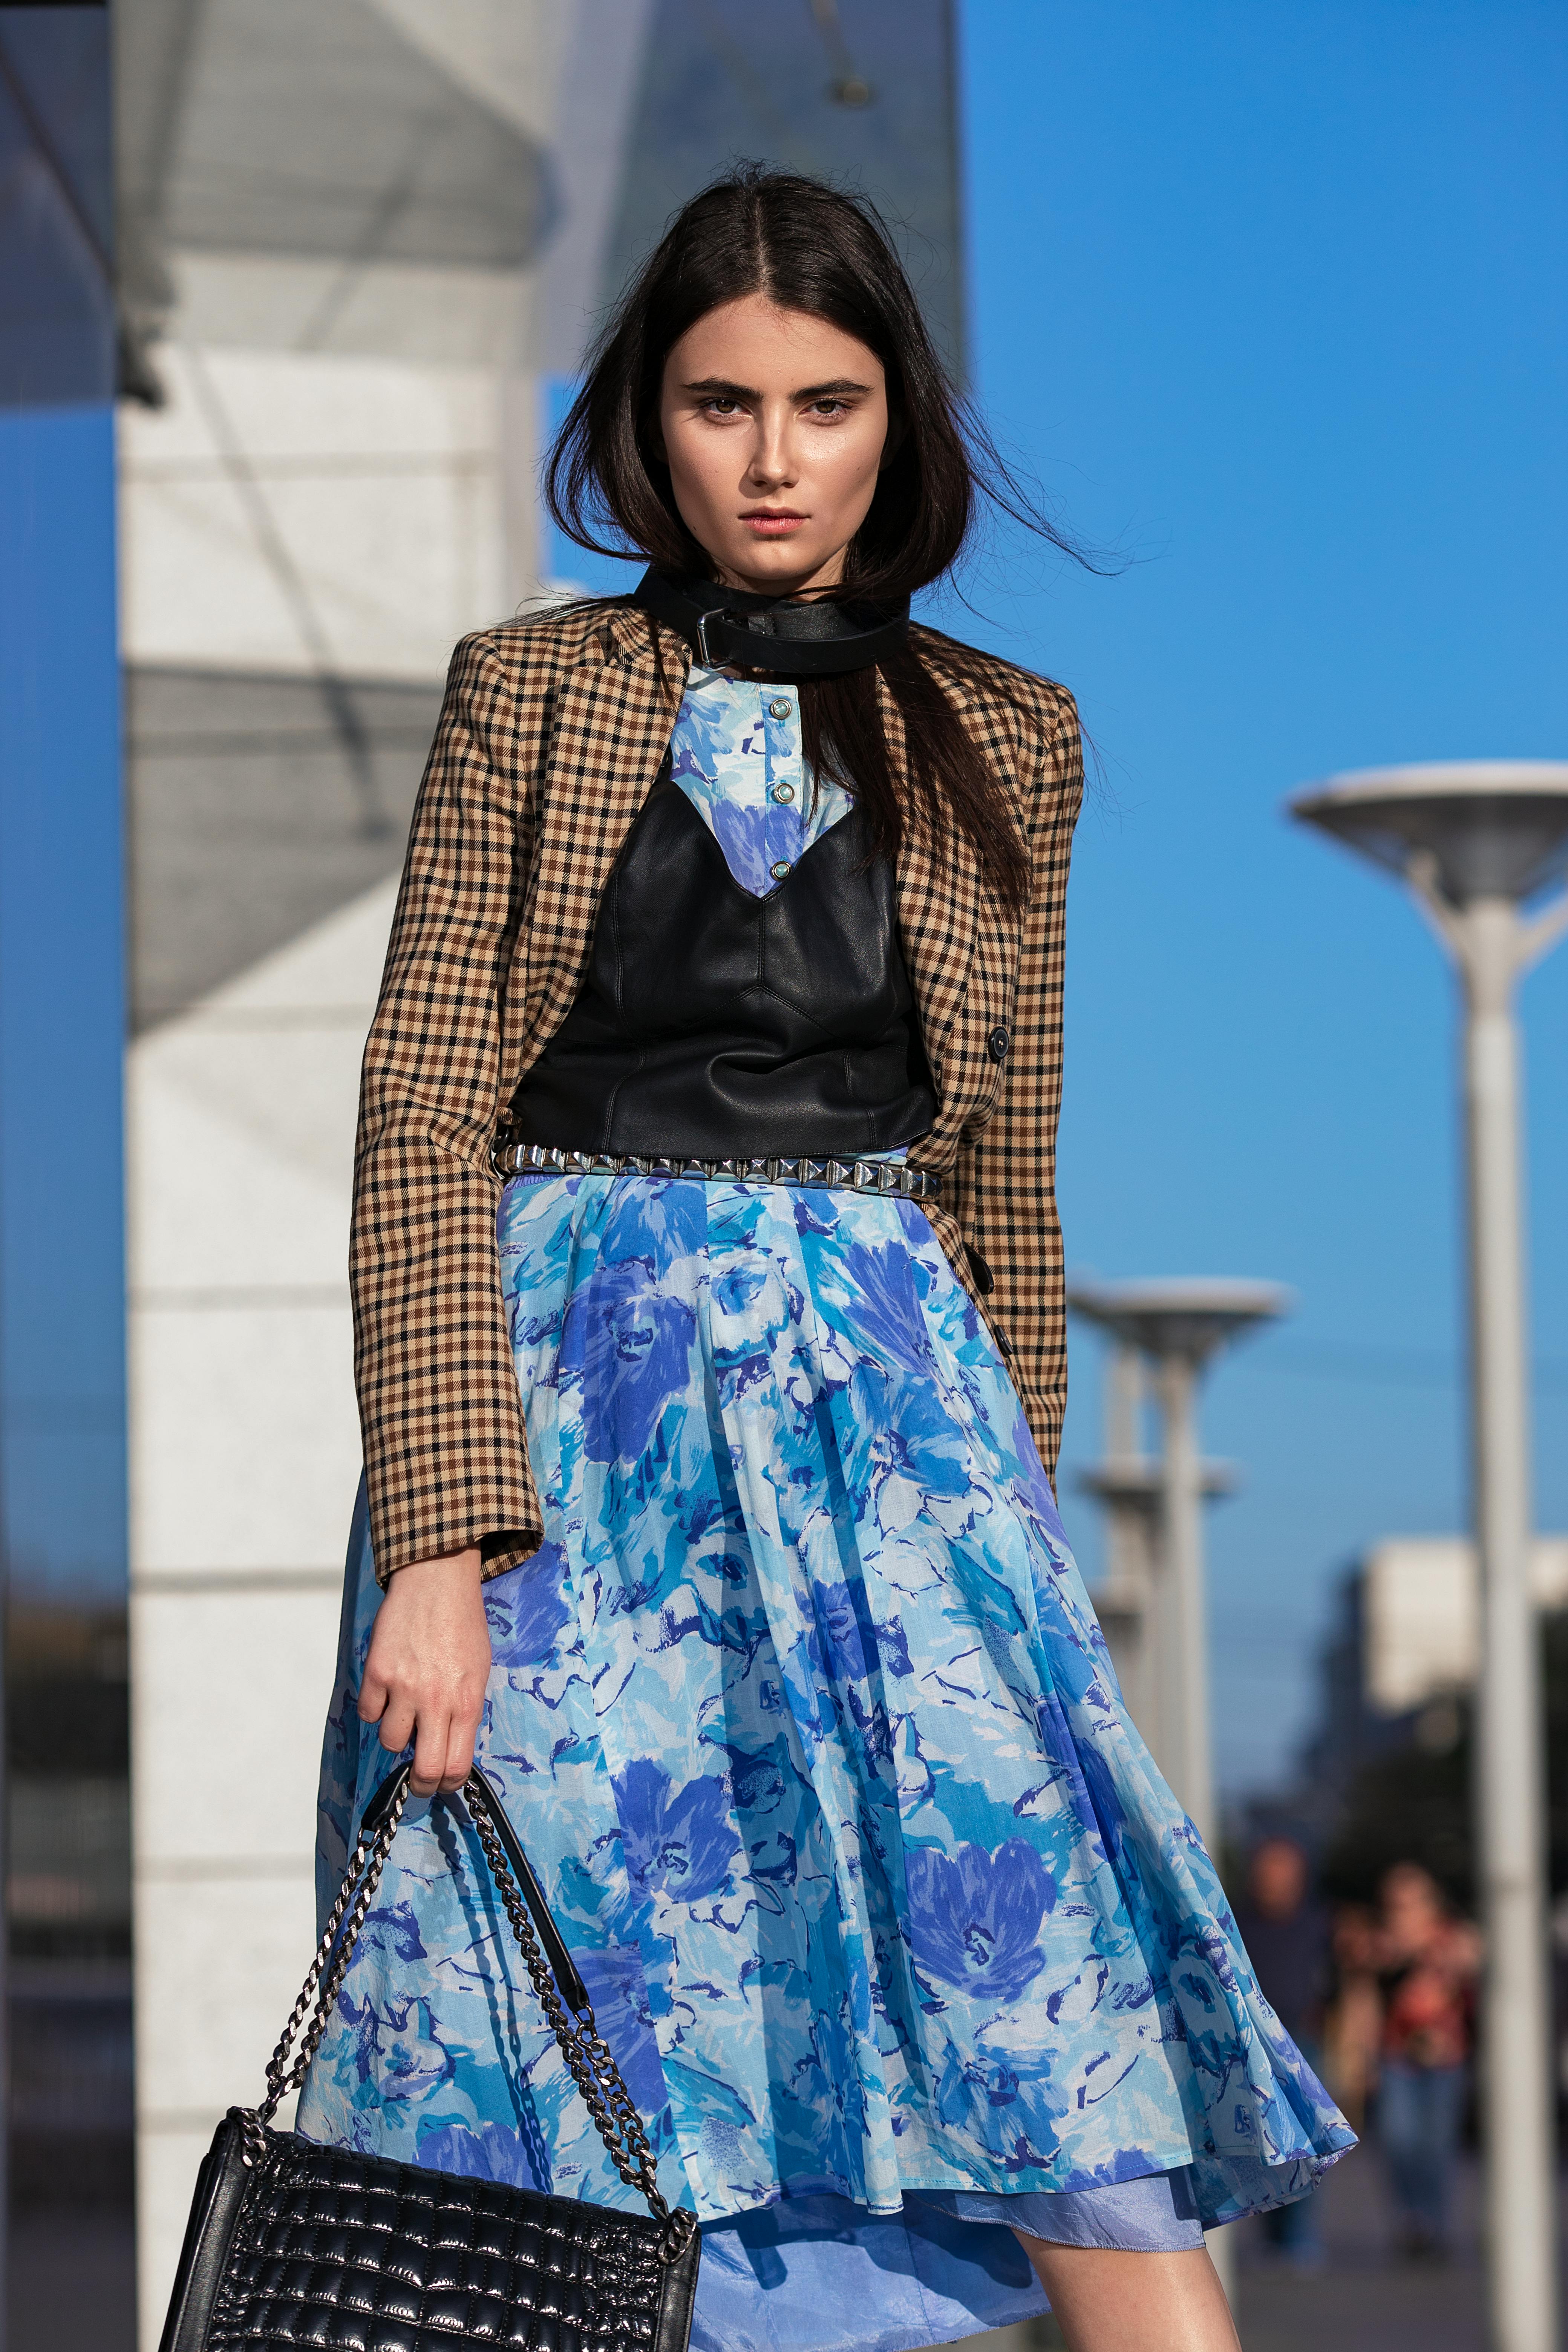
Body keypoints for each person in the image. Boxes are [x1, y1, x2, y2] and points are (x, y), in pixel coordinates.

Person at [295, 166, 1353, 2352]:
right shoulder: (531, 692)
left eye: (825, 401)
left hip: (897, 1414)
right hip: (569, 1443)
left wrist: (1027, 1525)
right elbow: (419, 1111)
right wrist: (436, 1543)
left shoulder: (1010, 734)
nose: (772, 459)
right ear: (639, 425)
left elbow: (1002, 1170)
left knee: (1037, 2001)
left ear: (899, 422)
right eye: (717, 404)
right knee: (572, 2060)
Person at [1368, 1863, 1480, 2260]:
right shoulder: (1380, 1946)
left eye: (1411, 1903)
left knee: (1436, 2145)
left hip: (1445, 2056)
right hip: (1397, 2055)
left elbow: (1472, 1964)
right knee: (1399, 2139)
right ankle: (1410, 2218)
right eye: (1395, 1904)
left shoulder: (1451, 1939)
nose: (1403, 1912)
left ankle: (1431, 2224)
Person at [1232, 1838, 1332, 2268]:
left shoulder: (1319, 1923)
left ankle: (1297, 2236)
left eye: (1284, 1875)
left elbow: (1340, 1984)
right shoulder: (1237, 1922)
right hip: (1250, 2045)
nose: (1275, 1884)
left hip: (1302, 2042)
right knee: (1262, 2142)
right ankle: (1272, 2232)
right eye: (1268, 1874)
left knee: (1306, 2142)